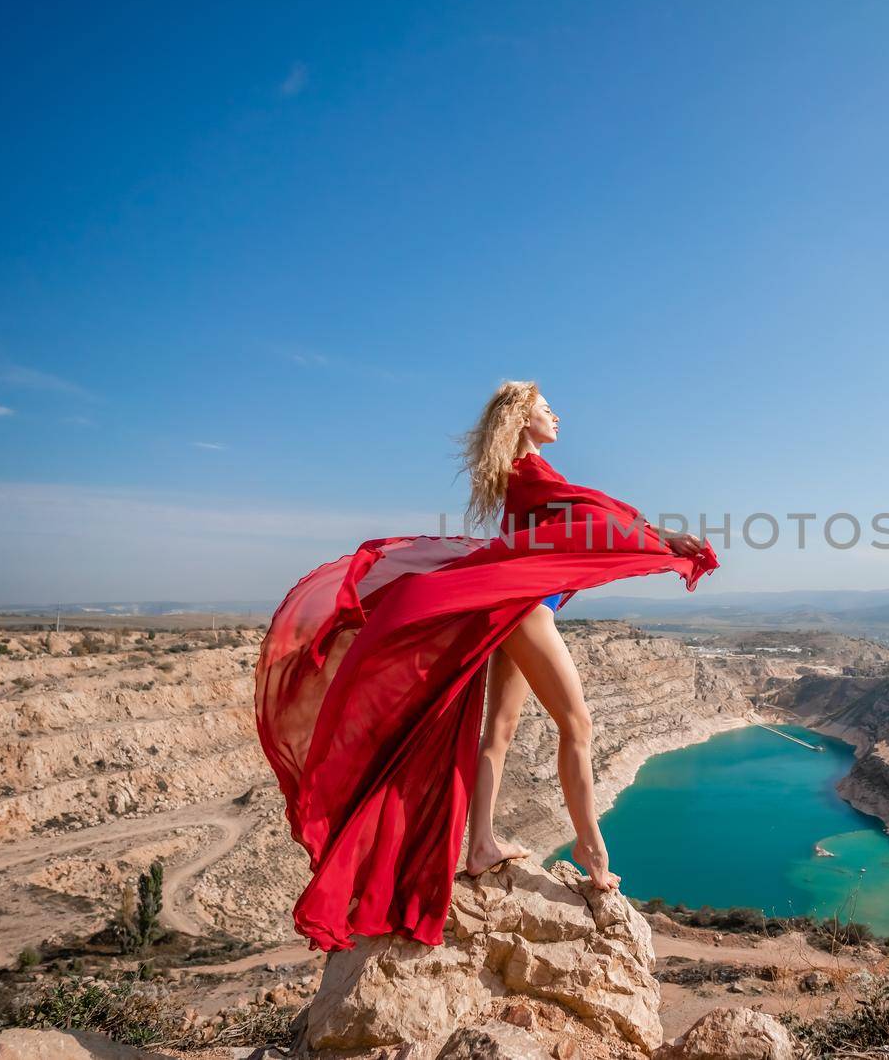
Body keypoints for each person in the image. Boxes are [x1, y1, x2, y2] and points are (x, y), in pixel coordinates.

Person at [254, 380, 718, 950]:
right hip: (525, 614)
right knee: (578, 726)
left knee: (497, 732)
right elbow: (601, 516)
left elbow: (590, 519)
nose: (558, 417)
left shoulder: (522, 478)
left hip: (516, 612)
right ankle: (591, 847)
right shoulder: (531, 473)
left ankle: (481, 845)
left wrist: (656, 538)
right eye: (548, 409)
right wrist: (668, 539)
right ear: (523, 417)